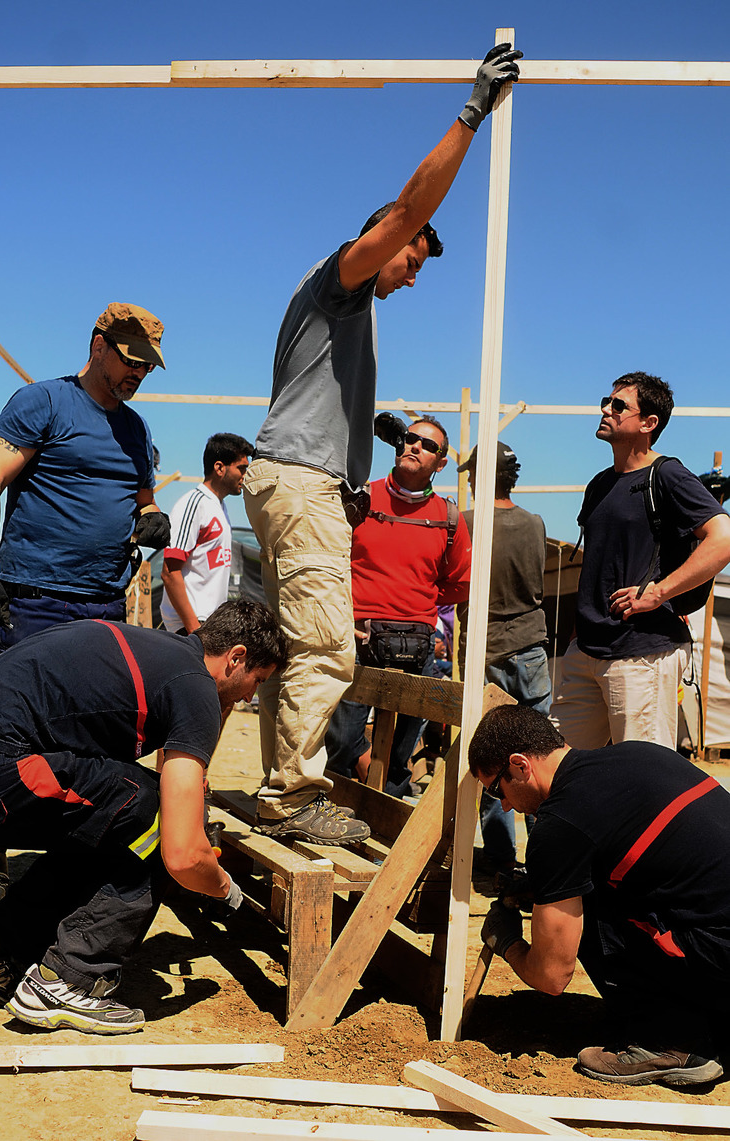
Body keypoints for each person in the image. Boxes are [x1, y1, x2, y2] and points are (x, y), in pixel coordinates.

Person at [243, 44, 522, 843]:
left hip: (296, 478)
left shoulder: (345, 315)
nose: (411, 272)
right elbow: (405, 210)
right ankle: (292, 796)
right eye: (410, 258)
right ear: (378, 242)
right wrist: (472, 113)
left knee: (291, 648)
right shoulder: (342, 278)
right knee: (330, 648)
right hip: (300, 480)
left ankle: (280, 787)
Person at [0, 599, 288, 1035]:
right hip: (3, 767)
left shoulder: (157, 656)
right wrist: (225, 890)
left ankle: (2, 949)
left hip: (6, 756)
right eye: (256, 681)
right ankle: (68, 980)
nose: (249, 696)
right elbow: (184, 853)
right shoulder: (195, 685)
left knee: (117, 813)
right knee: (157, 820)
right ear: (236, 657)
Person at [470, 704, 730, 1088]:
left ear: (521, 765)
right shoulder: (639, 754)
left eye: (497, 789)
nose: (504, 804)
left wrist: (505, 940)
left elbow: (552, 976)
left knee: (586, 905)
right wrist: (539, 886)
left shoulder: (560, 825)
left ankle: (673, 1042)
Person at [550, 371, 730, 750]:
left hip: (642, 654)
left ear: (649, 423)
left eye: (619, 405)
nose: (606, 409)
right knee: (560, 771)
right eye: (606, 401)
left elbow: (723, 539)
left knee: (642, 780)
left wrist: (658, 593)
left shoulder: (668, 475)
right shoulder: (599, 483)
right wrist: (575, 637)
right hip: (585, 652)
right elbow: (596, 565)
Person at [0, 302, 171, 651]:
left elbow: (144, 501)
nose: (140, 373)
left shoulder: (136, 429)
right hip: (36, 603)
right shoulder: (44, 401)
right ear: (99, 346)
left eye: (148, 366)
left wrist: (153, 517)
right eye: (133, 361)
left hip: (107, 607)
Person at [325, 416, 471, 798]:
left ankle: (386, 832)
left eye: (427, 445)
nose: (414, 446)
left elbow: (462, 581)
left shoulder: (449, 517)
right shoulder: (360, 498)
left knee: (400, 756)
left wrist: (417, 601)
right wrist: (344, 614)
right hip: (356, 636)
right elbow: (328, 560)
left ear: (440, 463)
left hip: (418, 642)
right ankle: (333, 816)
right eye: (409, 439)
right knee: (340, 743)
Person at [457, 441, 549, 873]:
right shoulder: (534, 523)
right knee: (540, 756)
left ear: (480, 476)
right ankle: (547, 860)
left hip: (485, 650)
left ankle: (498, 861)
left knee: (493, 757)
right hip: (530, 647)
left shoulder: (466, 524)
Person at [161, 433, 254, 634]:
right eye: (241, 468)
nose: (245, 476)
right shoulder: (194, 504)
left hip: (210, 625)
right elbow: (169, 572)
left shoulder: (220, 507)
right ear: (219, 468)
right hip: (190, 627)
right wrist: (194, 630)